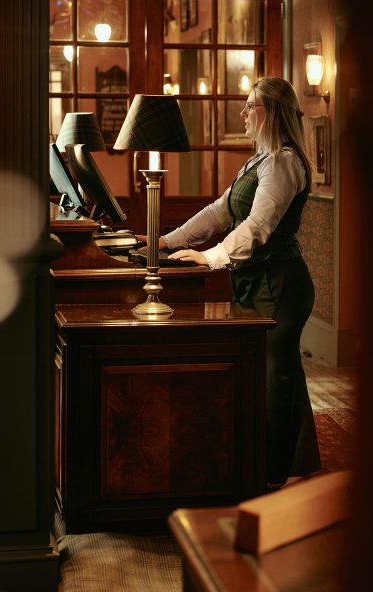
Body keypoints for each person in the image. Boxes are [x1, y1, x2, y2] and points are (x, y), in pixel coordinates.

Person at [159, 76, 321, 489]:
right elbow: (219, 212)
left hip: (279, 282)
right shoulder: (260, 160)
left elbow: (258, 225)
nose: (244, 112)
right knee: (279, 371)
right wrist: (165, 241)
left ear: (272, 112)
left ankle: (271, 476)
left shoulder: (283, 161)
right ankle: (295, 465)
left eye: (252, 105)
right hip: (258, 279)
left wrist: (210, 257)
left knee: (274, 378)